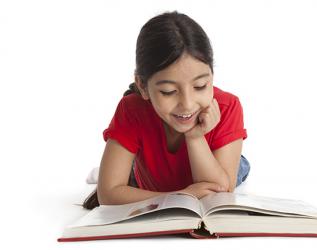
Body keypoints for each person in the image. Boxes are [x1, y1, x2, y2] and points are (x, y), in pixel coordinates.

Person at [83, 11, 250, 209]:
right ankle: (126, 168)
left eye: (200, 86)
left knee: (240, 167)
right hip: (150, 173)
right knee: (131, 175)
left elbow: (219, 191)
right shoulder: (132, 110)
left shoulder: (227, 107)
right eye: (168, 91)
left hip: (215, 157)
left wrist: (195, 137)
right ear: (143, 86)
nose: (187, 104)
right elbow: (108, 194)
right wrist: (181, 196)